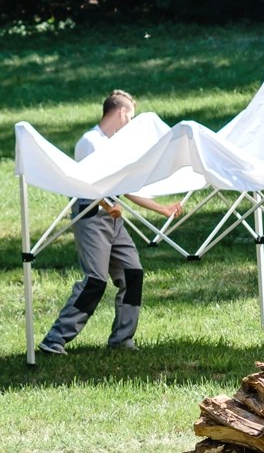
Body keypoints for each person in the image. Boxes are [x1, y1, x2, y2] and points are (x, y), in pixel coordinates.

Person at [38, 91, 182, 354]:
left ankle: (122, 339)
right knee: (95, 280)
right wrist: (107, 205)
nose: (131, 123)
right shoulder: (89, 142)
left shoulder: (115, 145)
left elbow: (125, 186)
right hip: (91, 216)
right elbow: (87, 183)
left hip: (113, 219)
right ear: (121, 113)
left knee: (132, 274)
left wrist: (163, 208)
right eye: (131, 117)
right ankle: (55, 339)